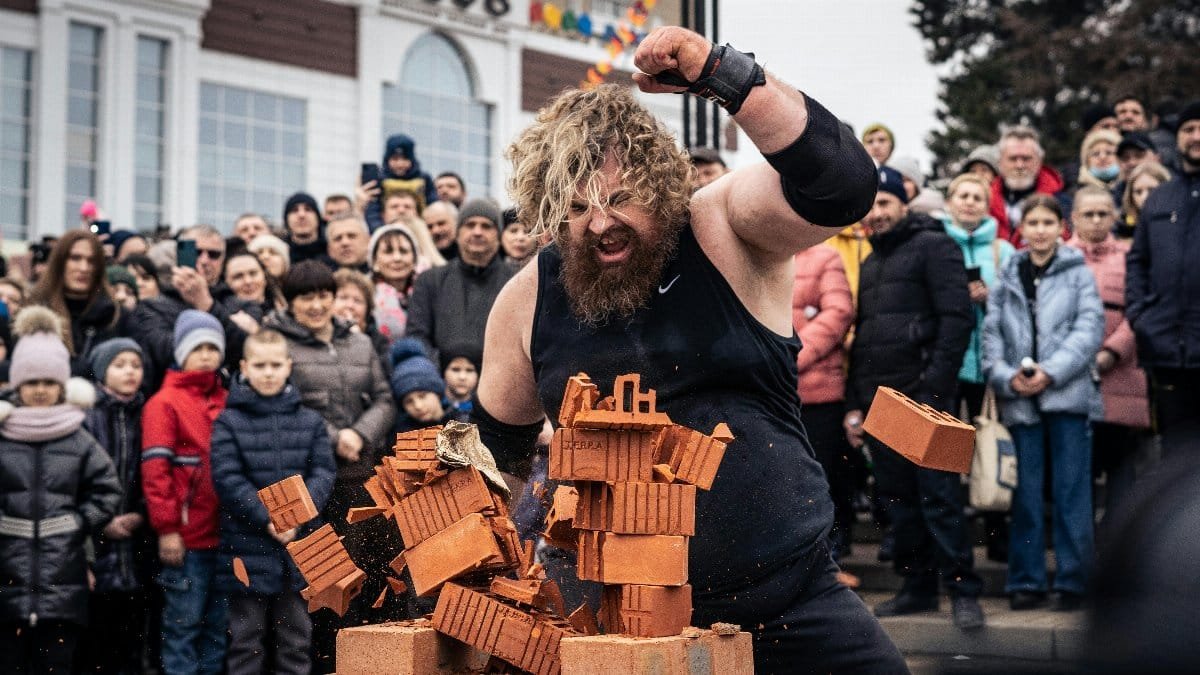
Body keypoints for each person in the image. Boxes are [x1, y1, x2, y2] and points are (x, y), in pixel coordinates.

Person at [476, 27, 904, 671]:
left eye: (619, 198)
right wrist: (468, 594)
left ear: (655, 183)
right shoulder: (526, 300)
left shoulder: (722, 224)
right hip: (611, 620)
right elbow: (495, 464)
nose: (600, 223)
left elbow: (842, 187)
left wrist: (723, 75)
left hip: (788, 601)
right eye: (574, 207)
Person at [844, 167, 983, 630]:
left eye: (884, 203)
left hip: (927, 400)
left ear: (905, 204)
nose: (876, 213)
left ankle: (964, 592)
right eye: (870, 206)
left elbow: (956, 319)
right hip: (883, 405)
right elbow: (865, 336)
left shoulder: (935, 245)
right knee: (898, 501)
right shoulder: (870, 260)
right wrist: (859, 402)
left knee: (940, 499)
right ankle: (917, 588)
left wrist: (934, 390)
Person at [263, 261, 395, 670]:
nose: (317, 305)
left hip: (362, 476)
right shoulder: (277, 344)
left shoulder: (358, 342)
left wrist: (360, 433)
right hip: (313, 481)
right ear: (291, 301)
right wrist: (337, 436)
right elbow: (283, 403)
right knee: (325, 584)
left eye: (324, 295)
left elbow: (385, 398)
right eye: (307, 297)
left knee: (371, 577)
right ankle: (326, 663)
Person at [983, 194, 1103, 612]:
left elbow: (1089, 329)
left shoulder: (1078, 273)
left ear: (1061, 227)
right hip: (1019, 399)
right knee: (1026, 496)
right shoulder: (1008, 273)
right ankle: (1027, 581)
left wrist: (1050, 372)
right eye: (1031, 222)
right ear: (1021, 229)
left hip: (1067, 397)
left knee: (1072, 493)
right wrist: (1005, 376)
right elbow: (992, 333)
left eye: (1047, 223)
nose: (1039, 230)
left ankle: (1073, 580)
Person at [0, 308, 121, 675]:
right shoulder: (3, 436)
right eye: (32, 382)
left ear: (62, 386)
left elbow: (107, 490)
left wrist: (77, 521)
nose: (40, 390)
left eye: (48, 382)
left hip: (63, 586)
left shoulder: (79, 438)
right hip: (7, 584)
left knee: (57, 664)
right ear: (18, 384)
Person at [210, 329, 336, 675]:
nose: (268, 372)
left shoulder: (309, 421)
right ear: (245, 367)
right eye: (260, 365)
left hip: (300, 548)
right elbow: (227, 477)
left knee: (296, 640)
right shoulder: (229, 421)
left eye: (275, 364)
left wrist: (296, 515)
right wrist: (268, 518)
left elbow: (323, 472)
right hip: (248, 545)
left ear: (288, 366)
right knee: (245, 642)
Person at [141, 310, 230, 675]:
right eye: (198, 347)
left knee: (217, 631)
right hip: (187, 538)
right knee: (182, 627)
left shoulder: (227, 398)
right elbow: (156, 472)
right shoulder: (164, 403)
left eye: (213, 347)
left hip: (225, 536)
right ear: (181, 352)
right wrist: (167, 529)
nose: (207, 354)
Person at [1066, 186, 1150, 518]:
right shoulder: (1061, 257)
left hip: (1121, 372)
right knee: (1077, 473)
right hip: (1072, 377)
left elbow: (1139, 311)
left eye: (1104, 213)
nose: (1097, 220)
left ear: (1115, 216)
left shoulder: (1131, 258)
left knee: (1121, 472)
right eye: (1089, 213)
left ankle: (1118, 552)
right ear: (1074, 217)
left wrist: (1112, 352)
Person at [1125, 101, 1200, 458]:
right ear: (1178, 137)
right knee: (1175, 458)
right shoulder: (1159, 197)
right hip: (1168, 349)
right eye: (1188, 129)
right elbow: (1138, 262)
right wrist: (1141, 317)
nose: (1196, 136)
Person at [77, 338, 154, 675]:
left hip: (137, 537)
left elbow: (151, 472)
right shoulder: (86, 417)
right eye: (120, 365)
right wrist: (102, 520)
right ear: (101, 370)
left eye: (135, 365)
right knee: (98, 631)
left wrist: (141, 512)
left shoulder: (146, 412)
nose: (129, 372)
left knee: (133, 629)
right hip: (97, 538)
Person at [790, 243, 855, 561]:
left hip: (818, 392)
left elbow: (838, 312)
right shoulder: (758, 254)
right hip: (774, 392)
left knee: (823, 474)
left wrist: (793, 355)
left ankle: (830, 552)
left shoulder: (823, 257)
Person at [128, 225, 249, 391]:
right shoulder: (153, 306)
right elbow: (168, 353)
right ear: (180, 253)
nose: (205, 260)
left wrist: (206, 303)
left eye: (213, 254)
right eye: (197, 252)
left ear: (223, 259)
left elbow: (245, 351)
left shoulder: (241, 304)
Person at [407, 198, 514, 364]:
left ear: (499, 236)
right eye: (470, 225)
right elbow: (417, 337)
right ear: (457, 233)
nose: (477, 232)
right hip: (441, 383)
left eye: (486, 226)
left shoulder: (516, 281)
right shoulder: (430, 280)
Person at [28, 230, 124, 377]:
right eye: (75, 258)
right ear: (59, 262)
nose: (83, 268)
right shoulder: (34, 315)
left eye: (92, 261)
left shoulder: (116, 316)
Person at [989, 126, 1066, 246]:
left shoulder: (1060, 200)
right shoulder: (983, 199)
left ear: (1039, 161)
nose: (1019, 165)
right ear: (1000, 162)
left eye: (1026, 159)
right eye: (1013, 158)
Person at [363, 134, 438, 231]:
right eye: (395, 159)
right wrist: (379, 230)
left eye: (405, 159)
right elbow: (373, 210)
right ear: (387, 160)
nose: (400, 164)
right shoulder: (380, 180)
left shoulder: (424, 179)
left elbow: (433, 204)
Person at [367, 224, 421, 344]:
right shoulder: (366, 295)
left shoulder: (428, 292)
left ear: (414, 260)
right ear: (374, 261)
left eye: (403, 251)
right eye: (388, 252)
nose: (397, 258)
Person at [389, 338, 451, 431]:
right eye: (408, 401)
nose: (418, 406)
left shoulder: (463, 423)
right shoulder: (401, 436)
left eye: (422, 396)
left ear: (437, 392)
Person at [333, 268, 390, 365]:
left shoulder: (379, 342)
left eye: (357, 300)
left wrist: (358, 340)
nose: (350, 305)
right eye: (343, 298)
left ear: (367, 310)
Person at [223, 252, 284, 323]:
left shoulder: (285, 311)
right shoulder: (224, 319)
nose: (248, 281)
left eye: (253, 273)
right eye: (238, 276)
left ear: (265, 276)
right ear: (227, 282)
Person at [1118, 161, 1171, 239]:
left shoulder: (1182, 225)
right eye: (1138, 192)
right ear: (1131, 197)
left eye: (1152, 190)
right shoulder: (1122, 231)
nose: (1145, 197)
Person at [282, 192, 326, 265]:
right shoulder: (280, 256)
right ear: (286, 220)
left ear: (318, 218)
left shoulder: (333, 253)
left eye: (308, 209)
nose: (301, 215)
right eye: (294, 210)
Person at [441, 348, 479, 423]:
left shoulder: (482, 411)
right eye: (456, 369)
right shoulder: (432, 407)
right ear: (444, 373)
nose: (462, 377)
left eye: (469, 370)